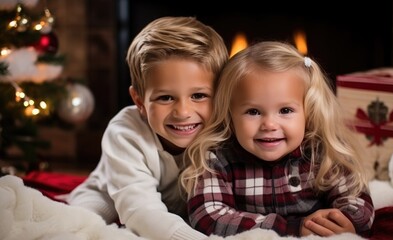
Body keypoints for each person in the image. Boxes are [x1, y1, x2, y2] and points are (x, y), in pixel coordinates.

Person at [181, 41, 375, 238]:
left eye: (285, 110)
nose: (269, 125)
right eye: (253, 111)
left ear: (308, 112)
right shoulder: (218, 157)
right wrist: (290, 228)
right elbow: (207, 216)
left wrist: (344, 222)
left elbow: (356, 199)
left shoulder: (321, 151)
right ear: (230, 115)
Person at [67, 16, 229, 240]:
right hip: (113, 191)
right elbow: (141, 211)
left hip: (183, 206)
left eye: (199, 95)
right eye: (165, 97)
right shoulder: (125, 132)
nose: (183, 112)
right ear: (140, 101)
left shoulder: (223, 128)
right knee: (81, 223)